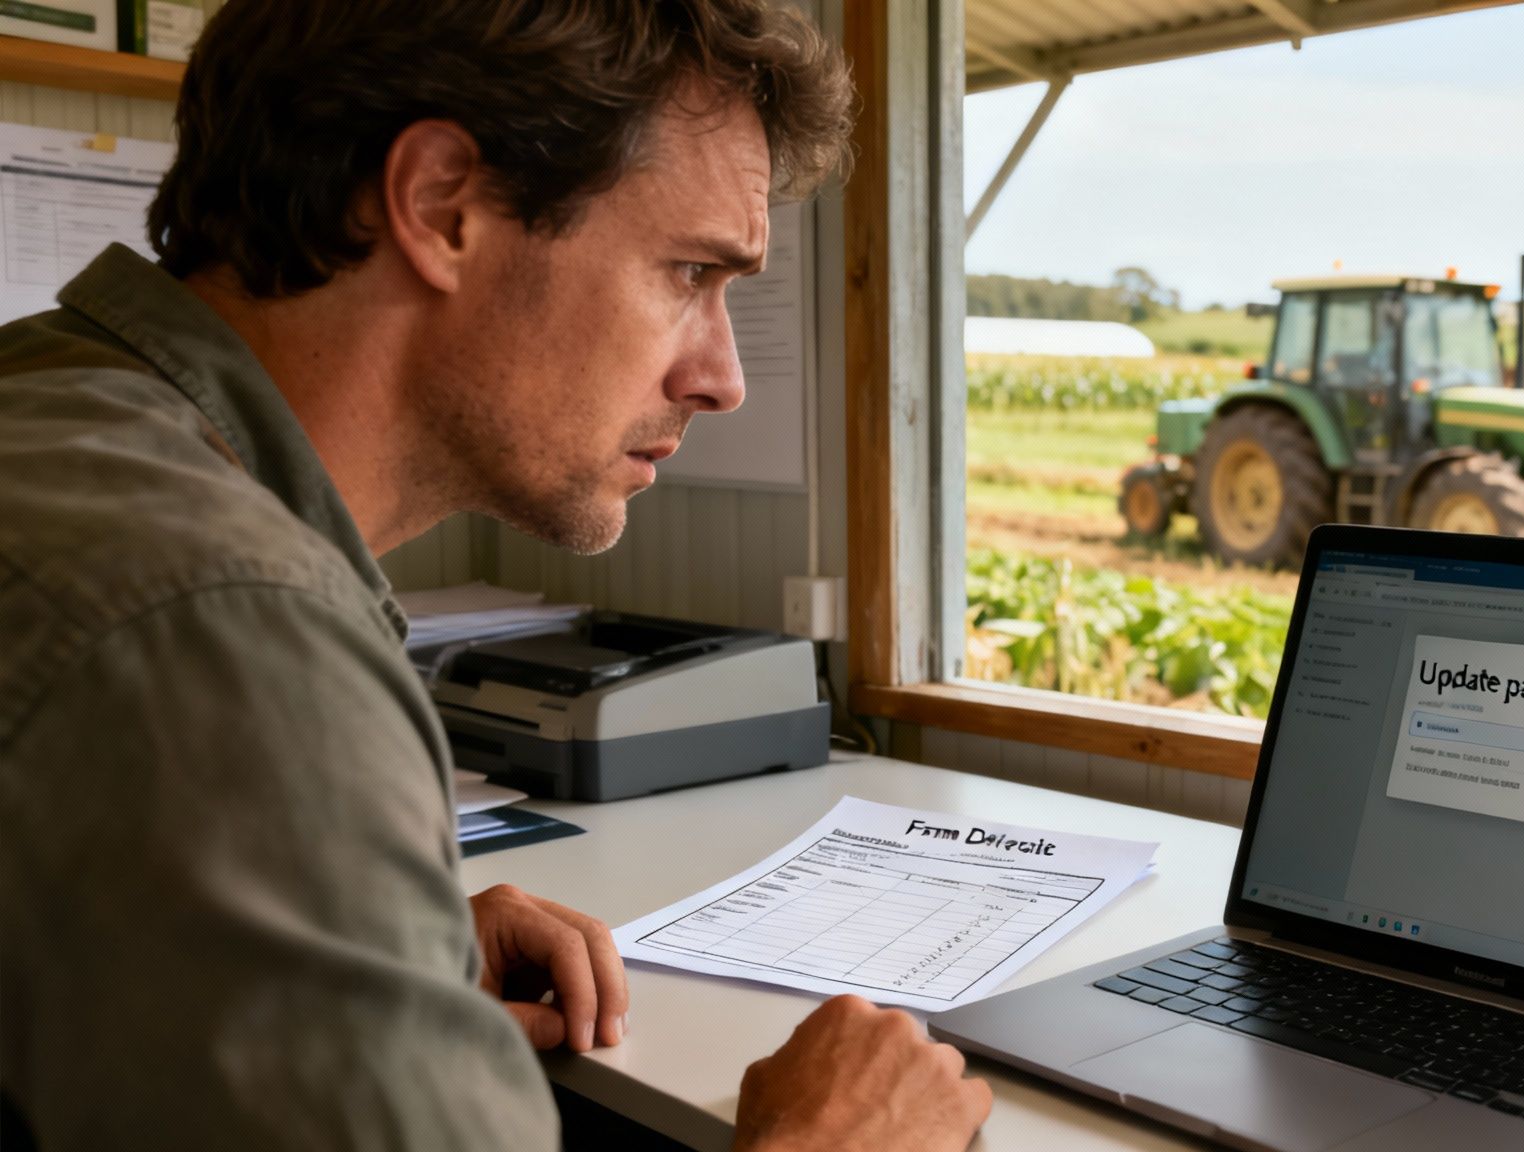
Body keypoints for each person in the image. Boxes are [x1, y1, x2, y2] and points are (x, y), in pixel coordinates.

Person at [0, 2, 992, 1149]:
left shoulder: (50, 411)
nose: (721, 377)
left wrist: (367, 936)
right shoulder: (221, 630)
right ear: (440, 206)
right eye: (687, 272)